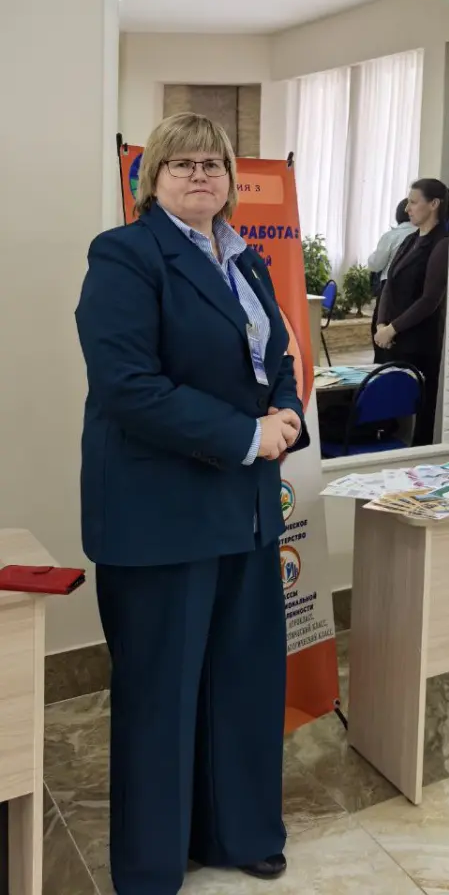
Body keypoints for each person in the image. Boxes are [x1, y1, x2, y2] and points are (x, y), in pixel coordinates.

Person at [75, 113, 309, 894]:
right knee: (161, 697)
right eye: (183, 164)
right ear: (153, 179)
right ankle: (152, 865)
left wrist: (287, 413)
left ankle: (241, 831)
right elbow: (128, 387)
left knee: (244, 679)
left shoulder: (247, 260)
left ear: (232, 180)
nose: (201, 175)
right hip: (160, 513)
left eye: (214, 164)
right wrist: (248, 433)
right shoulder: (125, 255)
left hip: (245, 508)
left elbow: (276, 358)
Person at [373, 178, 449, 446]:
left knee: (417, 417)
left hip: (418, 344)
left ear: (434, 204)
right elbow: (389, 282)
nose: (407, 209)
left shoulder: (441, 244)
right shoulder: (410, 239)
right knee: (391, 414)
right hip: (393, 339)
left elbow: (430, 300)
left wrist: (392, 329)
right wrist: (382, 325)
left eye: (414, 202)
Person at [368, 199, 417, 342]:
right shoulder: (425, 235)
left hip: (390, 290)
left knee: (381, 332)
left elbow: (375, 264)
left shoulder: (391, 236)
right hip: (416, 291)